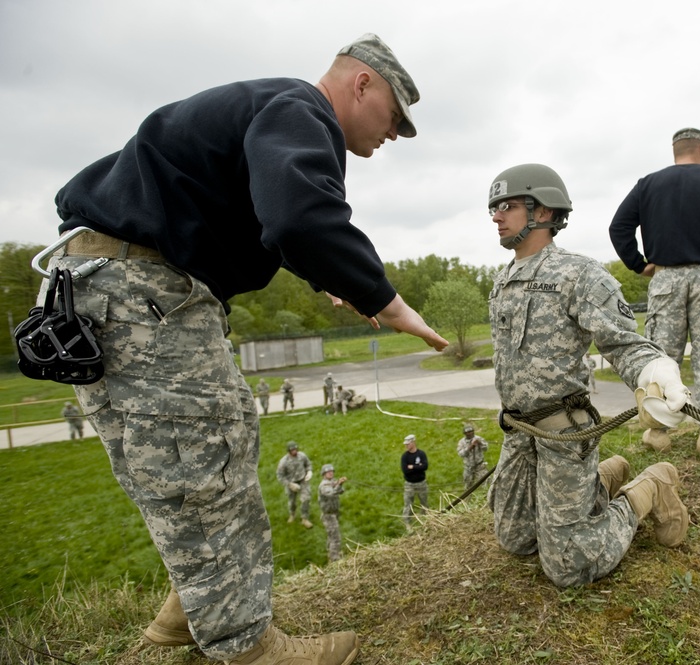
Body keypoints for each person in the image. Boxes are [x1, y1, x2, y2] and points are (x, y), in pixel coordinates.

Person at [39, 32, 447, 664]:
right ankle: (247, 645)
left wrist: (327, 276)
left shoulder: (269, 106)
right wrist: (385, 299)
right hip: (144, 288)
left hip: (107, 282)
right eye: (395, 116)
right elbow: (298, 217)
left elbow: (262, 215)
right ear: (361, 83)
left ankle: (189, 609)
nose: (395, 133)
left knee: (187, 453)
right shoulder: (302, 107)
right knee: (207, 454)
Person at [487, 163, 692, 588]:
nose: (496, 216)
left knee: (568, 567)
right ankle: (601, 479)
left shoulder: (578, 274)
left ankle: (649, 488)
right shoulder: (502, 278)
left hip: (564, 433)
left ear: (542, 211)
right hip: (520, 430)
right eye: (493, 207)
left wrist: (657, 371)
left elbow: (622, 342)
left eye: (506, 205)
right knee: (515, 539)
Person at [609, 128, 700, 454]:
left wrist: (639, 264)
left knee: (662, 358)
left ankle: (658, 433)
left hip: (666, 279)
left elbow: (618, 227)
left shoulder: (648, 184)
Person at [276, 441, 313, 529]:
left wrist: (309, 472)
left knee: (306, 499)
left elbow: (308, 464)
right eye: (292, 450)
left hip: (303, 480)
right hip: (291, 483)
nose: (294, 451)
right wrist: (289, 484)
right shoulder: (283, 462)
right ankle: (292, 514)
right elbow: (280, 475)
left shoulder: (302, 456)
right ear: (289, 451)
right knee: (292, 502)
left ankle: (304, 518)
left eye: (295, 449)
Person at [318, 463, 348, 562]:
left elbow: (341, 491)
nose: (331, 473)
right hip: (329, 515)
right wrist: (338, 484)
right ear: (324, 474)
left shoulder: (332, 482)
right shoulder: (324, 485)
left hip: (334, 513)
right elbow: (331, 493)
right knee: (335, 537)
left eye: (332, 471)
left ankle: (331, 553)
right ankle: (335, 559)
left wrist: (339, 484)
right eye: (328, 472)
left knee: (332, 535)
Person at [401, 434, 429, 525]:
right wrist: (418, 467)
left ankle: (426, 519)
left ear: (413, 443)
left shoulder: (421, 454)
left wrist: (412, 466)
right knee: (408, 504)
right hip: (409, 484)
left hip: (422, 483)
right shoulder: (405, 456)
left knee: (424, 502)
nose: (406, 446)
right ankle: (407, 522)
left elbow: (425, 466)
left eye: (408, 444)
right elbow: (405, 470)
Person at [456, 424, 490, 491]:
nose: (470, 433)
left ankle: (486, 498)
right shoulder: (461, 442)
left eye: (471, 431)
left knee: (486, 484)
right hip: (468, 467)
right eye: (468, 432)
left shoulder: (478, 438)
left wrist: (480, 443)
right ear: (465, 434)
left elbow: (485, 448)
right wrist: (469, 448)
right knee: (468, 487)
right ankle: (467, 500)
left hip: (480, 466)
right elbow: (461, 454)